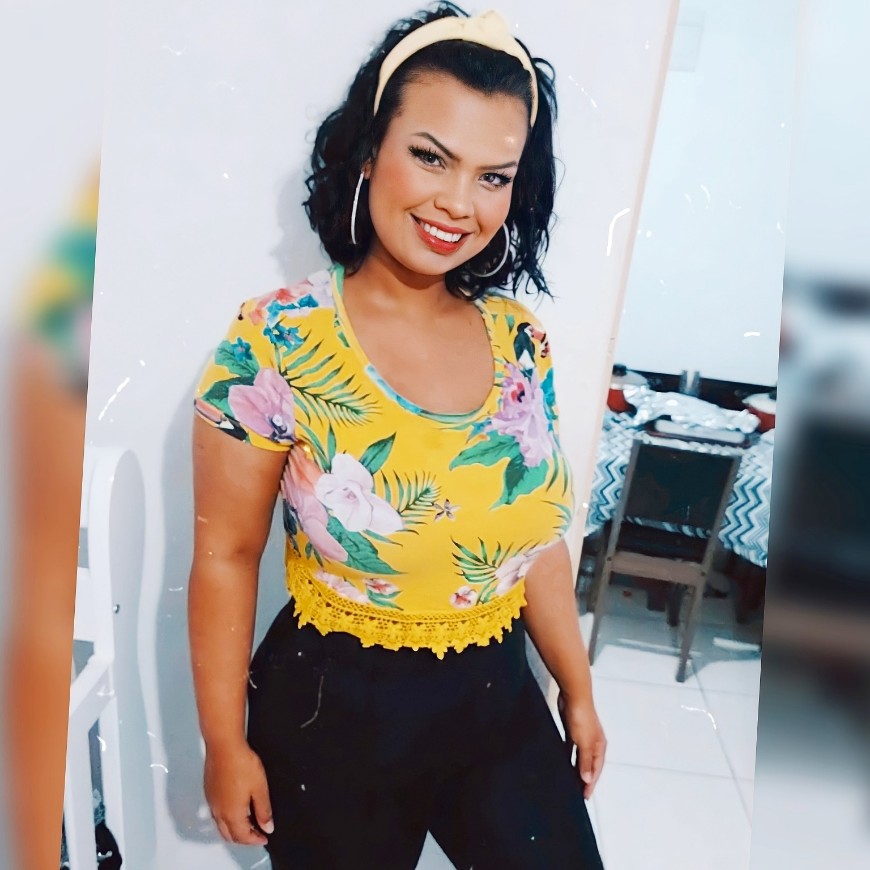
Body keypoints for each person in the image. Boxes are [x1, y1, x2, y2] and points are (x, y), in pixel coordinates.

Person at [188, 4, 606, 868]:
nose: (458, 203)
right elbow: (227, 553)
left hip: (496, 694)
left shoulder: (519, 341)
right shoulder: (276, 339)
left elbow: (535, 537)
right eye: (431, 156)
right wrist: (224, 744)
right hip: (334, 709)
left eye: (494, 176)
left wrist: (577, 686)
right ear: (369, 148)